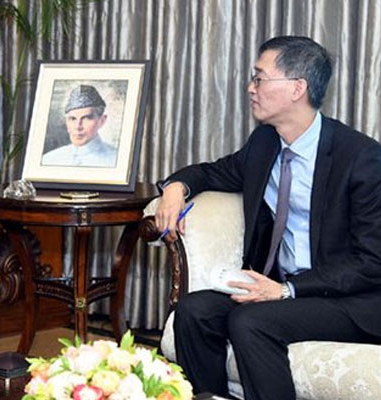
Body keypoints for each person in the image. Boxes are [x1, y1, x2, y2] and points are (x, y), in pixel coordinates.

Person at [155, 36, 381, 400]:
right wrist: (175, 188)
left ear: (297, 88)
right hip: (278, 286)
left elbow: (372, 262)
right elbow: (212, 172)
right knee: (194, 310)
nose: (250, 87)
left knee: (251, 321)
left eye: (260, 78)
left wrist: (287, 290)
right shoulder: (265, 143)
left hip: (350, 299)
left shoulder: (360, 158)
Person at [41, 84, 118, 167]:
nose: (78, 126)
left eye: (86, 118)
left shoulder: (115, 160)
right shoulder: (48, 159)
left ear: (102, 121)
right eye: (72, 119)